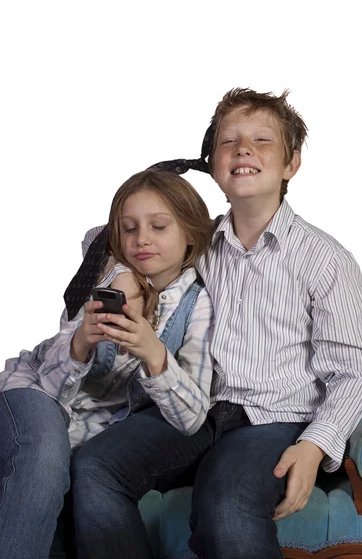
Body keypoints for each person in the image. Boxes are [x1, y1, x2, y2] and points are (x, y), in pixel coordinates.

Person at [68, 88, 362, 559]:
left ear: (291, 164)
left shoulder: (325, 260)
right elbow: (113, 235)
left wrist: (315, 447)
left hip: (272, 419)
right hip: (195, 409)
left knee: (226, 506)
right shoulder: (197, 241)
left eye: (261, 141)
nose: (243, 150)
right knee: (94, 467)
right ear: (212, 164)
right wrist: (124, 271)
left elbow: (356, 374)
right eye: (229, 142)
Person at [0, 170, 214, 559]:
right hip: (32, 392)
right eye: (128, 230)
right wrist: (82, 340)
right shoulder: (106, 278)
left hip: (96, 423)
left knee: (65, 480)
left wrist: (154, 353)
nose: (141, 239)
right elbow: (48, 384)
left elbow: (192, 417)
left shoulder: (200, 305)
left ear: (191, 234)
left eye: (159, 226)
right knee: (45, 459)